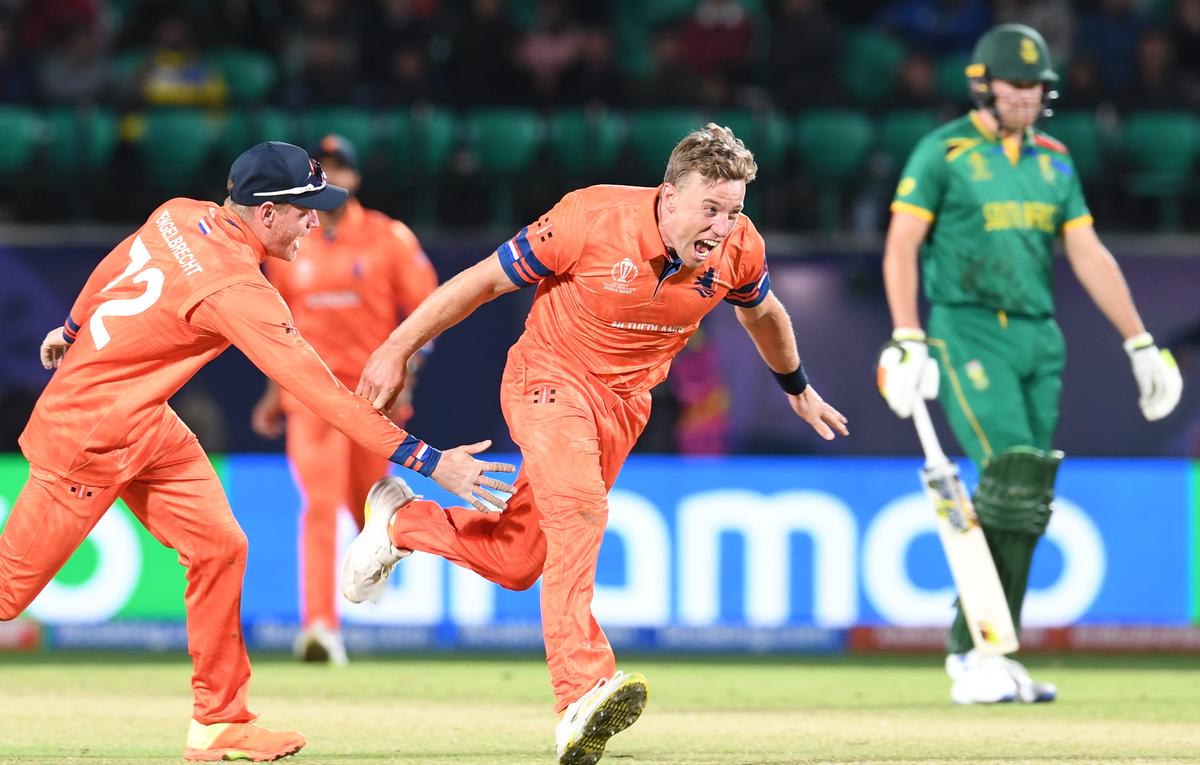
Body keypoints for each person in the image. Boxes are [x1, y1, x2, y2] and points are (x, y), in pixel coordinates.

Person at [343, 123, 849, 765]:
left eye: (734, 211)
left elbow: (763, 313)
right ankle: (581, 692)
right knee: (581, 511)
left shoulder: (739, 249)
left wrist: (796, 386)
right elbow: (481, 282)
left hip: (623, 407)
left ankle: (402, 523)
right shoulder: (588, 217)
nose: (722, 227)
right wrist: (395, 347)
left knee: (520, 559)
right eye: (710, 208)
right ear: (668, 196)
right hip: (547, 380)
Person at [1, 141, 513, 761]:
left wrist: (76, 327)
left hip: (144, 423)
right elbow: (326, 397)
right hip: (88, 438)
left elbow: (114, 264)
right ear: (266, 213)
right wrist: (435, 463)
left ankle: (219, 720)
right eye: (305, 211)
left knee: (220, 546)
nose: (316, 223)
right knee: (8, 593)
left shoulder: (177, 212)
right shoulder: (238, 288)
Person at [877, 24, 1182, 705]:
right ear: (983, 85)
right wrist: (908, 334)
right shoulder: (943, 151)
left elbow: (1088, 253)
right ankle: (975, 653)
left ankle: (985, 650)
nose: (1028, 95)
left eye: (1037, 85)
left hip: (1039, 339)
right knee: (1011, 472)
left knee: (1028, 497)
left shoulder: (1054, 159)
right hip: (967, 328)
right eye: (1016, 84)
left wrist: (1139, 342)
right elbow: (901, 248)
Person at [250, 134, 438, 666]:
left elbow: (429, 313)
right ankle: (319, 627)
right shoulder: (288, 241)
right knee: (318, 506)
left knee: (371, 509)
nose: (330, 177)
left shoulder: (387, 238)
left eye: (339, 168)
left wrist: (409, 373)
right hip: (310, 396)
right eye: (320, 169)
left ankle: (377, 558)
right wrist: (273, 392)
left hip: (372, 398)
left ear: (355, 178)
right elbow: (274, 324)